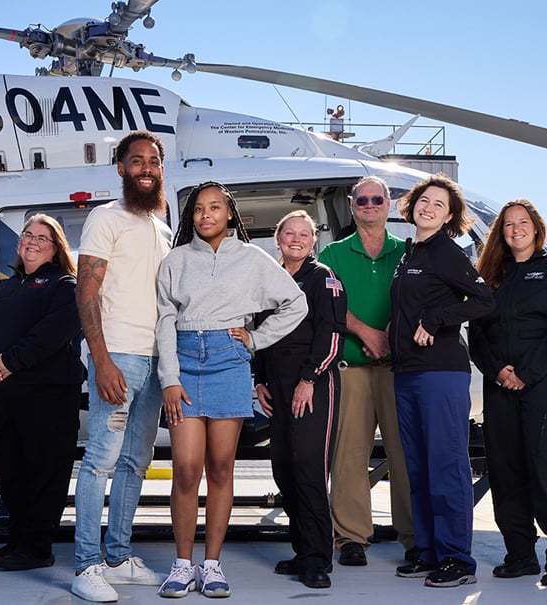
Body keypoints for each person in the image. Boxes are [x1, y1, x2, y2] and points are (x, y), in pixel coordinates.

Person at [155, 182, 307, 599]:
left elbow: (296, 303)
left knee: (221, 467)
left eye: (215, 208)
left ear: (229, 213)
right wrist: (169, 378)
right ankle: (182, 565)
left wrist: (256, 339)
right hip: (184, 362)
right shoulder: (176, 260)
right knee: (186, 468)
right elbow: (165, 320)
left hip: (229, 361)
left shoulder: (252, 259)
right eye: (199, 209)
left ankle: (212, 565)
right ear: (191, 216)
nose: (206, 215)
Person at [71, 131, 173, 603]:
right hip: (119, 358)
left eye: (154, 161)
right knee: (101, 461)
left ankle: (117, 557)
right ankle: (86, 565)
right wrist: (102, 359)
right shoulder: (104, 217)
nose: (147, 168)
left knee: (137, 461)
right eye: (137, 161)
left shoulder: (162, 223)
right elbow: (86, 291)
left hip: (156, 360)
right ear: (120, 168)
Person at [470, 199, 547, 587]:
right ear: (500, 233)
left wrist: (527, 373)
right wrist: (499, 371)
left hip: (546, 384)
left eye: (522, 223)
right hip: (500, 385)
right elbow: (478, 335)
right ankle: (520, 555)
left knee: (544, 468)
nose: (515, 229)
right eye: (507, 225)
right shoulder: (491, 278)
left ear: (536, 228)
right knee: (505, 471)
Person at [389, 174, 493, 588]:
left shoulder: (446, 252)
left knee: (446, 466)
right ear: (413, 204)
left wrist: (436, 319)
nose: (428, 208)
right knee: (418, 469)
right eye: (424, 200)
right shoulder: (411, 253)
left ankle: (458, 559)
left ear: (450, 217)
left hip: (441, 373)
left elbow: (485, 300)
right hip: (406, 373)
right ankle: (429, 552)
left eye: (439, 205)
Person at [0, 213, 83, 571]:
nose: (31, 241)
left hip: (48, 397)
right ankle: (16, 540)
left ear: (55, 248)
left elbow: (50, 333)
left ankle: (36, 547)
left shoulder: (65, 285)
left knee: (43, 471)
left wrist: (9, 362)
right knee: (10, 470)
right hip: (5, 397)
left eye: (41, 238)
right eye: (27, 235)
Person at [318, 176, 416, 566]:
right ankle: (352, 537)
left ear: (389, 204)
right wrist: (365, 333)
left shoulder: (407, 253)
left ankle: (413, 536)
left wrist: (394, 331)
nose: (370, 205)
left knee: (404, 454)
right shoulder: (335, 254)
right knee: (349, 456)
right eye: (363, 200)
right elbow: (326, 304)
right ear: (352, 204)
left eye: (378, 199)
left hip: (397, 369)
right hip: (352, 367)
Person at [254, 210, 347, 590]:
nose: (296, 239)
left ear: (313, 241)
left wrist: (309, 379)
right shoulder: (267, 279)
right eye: (289, 233)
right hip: (276, 387)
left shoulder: (322, 278)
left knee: (309, 471)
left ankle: (317, 560)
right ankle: (301, 549)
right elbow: (256, 330)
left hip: (313, 386)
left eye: (304, 234)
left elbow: (332, 333)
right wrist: (259, 380)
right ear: (278, 239)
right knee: (285, 471)